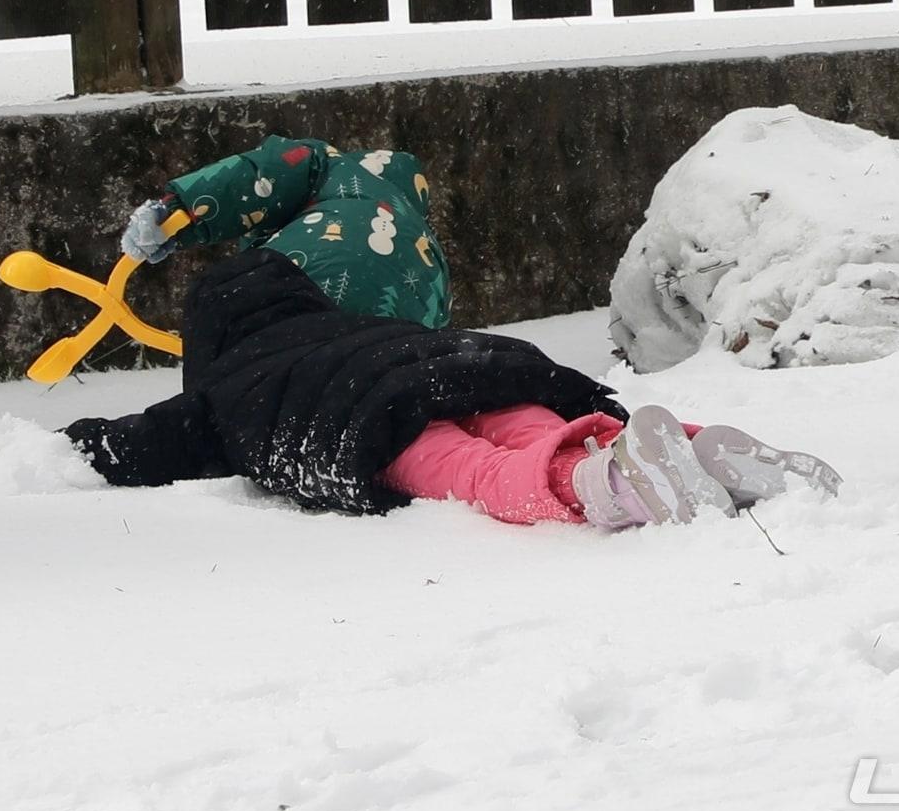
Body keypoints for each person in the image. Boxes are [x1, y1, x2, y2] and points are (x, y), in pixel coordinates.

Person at [63, 248, 840, 529]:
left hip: (375, 424)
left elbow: (143, 444)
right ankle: (698, 450)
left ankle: (603, 482)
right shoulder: (355, 322)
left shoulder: (224, 387)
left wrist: (77, 444)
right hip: (467, 364)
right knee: (530, 422)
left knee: (477, 470)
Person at [121, 137, 450, 330]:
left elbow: (264, 174)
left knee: (246, 367)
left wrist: (179, 210)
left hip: (305, 274)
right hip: (389, 336)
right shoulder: (426, 246)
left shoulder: (333, 170)